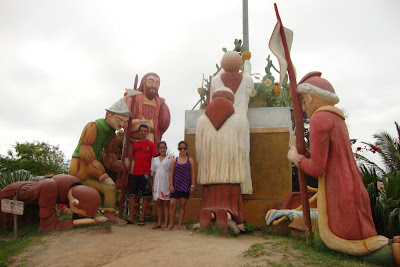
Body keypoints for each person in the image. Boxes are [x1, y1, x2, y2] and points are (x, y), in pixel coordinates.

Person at [287, 72, 399, 266]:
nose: (304, 109)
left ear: (311, 98)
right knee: (363, 239)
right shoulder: (337, 119)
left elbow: (316, 168)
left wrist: (295, 158)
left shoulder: (319, 119)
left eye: (303, 102)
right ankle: (390, 245)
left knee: (344, 244)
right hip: (353, 188)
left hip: (338, 194)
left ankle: (393, 253)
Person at [69, 97, 138, 225]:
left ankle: (110, 215)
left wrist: (120, 165)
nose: (122, 125)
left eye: (124, 122)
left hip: (93, 169)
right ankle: (80, 214)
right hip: (80, 168)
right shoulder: (93, 126)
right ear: (108, 115)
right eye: (119, 120)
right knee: (97, 188)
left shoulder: (112, 135)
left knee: (110, 188)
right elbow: (86, 153)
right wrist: (101, 175)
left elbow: (109, 157)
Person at [118, 72, 171, 214]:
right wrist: (132, 126)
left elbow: (164, 123)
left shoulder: (160, 102)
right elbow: (121, 115)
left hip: (152, 142)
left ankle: (147, 208)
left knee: (150, 174)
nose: (154, 85)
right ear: (144, 82)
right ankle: (133, 209)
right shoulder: (133, 98)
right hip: (133, 142)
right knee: (131, 173)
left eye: (157, 83)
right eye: (151, 82)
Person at [209, 51, 254, 194]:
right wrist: (247, 63)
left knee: (222, 153)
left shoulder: (216, 81)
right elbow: (247, 76)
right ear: (239, 65)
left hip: (222, 119)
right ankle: (241, 187)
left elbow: (211, 101)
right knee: (241, 152)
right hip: (240, 119)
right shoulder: (246, 79)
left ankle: (223, 185)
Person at [0, 174, 104, 232]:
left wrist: (93, 219)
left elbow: (84, 216)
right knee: (10, 226)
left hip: (27, 197)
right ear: (75, 201)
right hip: (10, 196)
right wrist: (76, 223)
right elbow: (47, 226)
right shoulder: (49, 186)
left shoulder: (75, 185)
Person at [125, 124, 158, 226]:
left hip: (146, 174)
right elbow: (135, 157)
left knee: (146, 196)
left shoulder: (151, 144)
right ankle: (130, 217)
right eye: (141, 131)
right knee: (132, 195)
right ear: (139, 132)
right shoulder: (135, 145)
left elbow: (156, 158)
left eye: (145, 131)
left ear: (147, 132)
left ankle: (141, 217)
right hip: (135, 173)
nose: (143, 132)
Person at [165, 141, 196, 231]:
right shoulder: (174, 160)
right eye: (180, 148)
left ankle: (180, 224)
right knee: (172, 204)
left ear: (187, 149)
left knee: (183, 204)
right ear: (178, 149)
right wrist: (170, 185)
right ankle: (171, 224)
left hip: (185, 185)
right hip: (176, 185)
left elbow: (193, 173)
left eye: (184, 148)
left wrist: (192, 186)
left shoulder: (190, 160)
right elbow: (171, 173)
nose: (182, 150)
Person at [151, 141, 173, 229]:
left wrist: (171, 185)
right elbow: (153, 173)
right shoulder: (154, 160)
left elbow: (172, 172)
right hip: (157, 184)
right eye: (161, 148)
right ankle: (159, 222)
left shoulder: (170, 159)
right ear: (158, 149)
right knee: (158, 203)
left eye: (164, 148)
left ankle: (166, 223)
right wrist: (153, 185)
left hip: (166, 183)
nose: (162, 149)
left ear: (166, 148)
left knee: (166, 203)